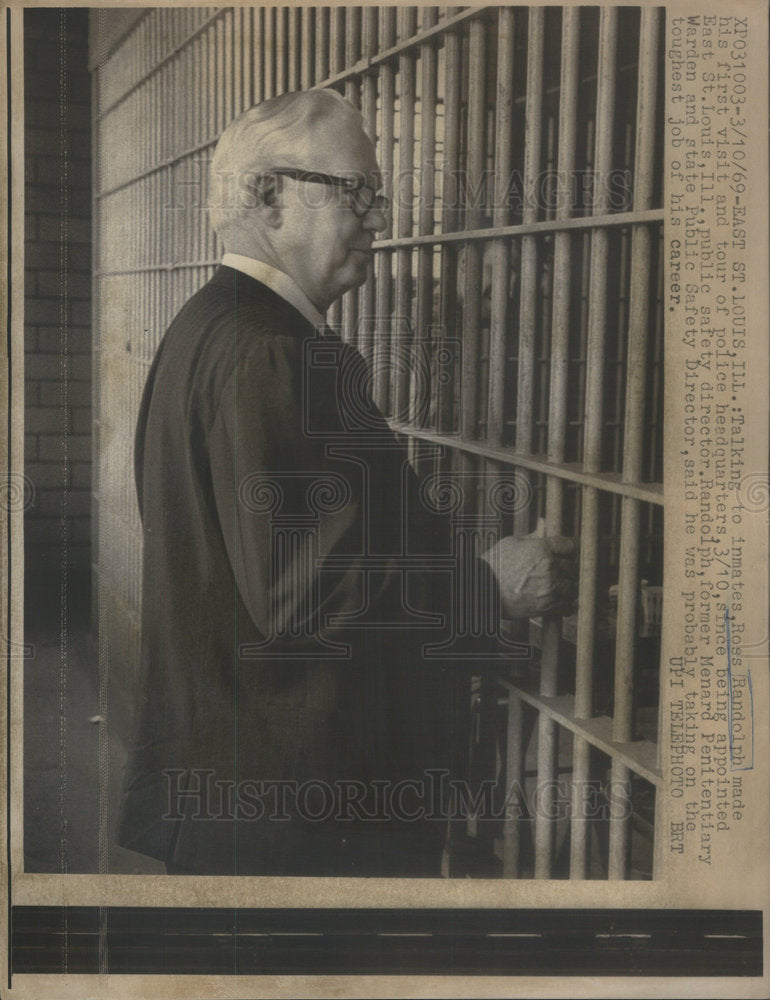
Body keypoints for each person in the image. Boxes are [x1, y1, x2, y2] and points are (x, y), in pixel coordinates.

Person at [116, 89, 576, 877]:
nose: (378, 216)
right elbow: (303, 592)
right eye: (356, 189)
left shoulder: (208, 328)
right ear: (269, 196)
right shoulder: (269, 352)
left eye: (379, 194)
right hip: (298, 817)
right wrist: (485, 588)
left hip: (254, 799)